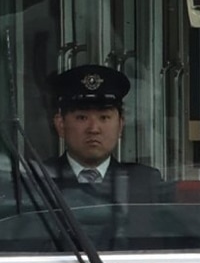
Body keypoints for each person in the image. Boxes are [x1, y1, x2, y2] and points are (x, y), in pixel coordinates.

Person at [48, 64, 166, 209]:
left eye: (104, 118)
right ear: (60, 124)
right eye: (82, 118)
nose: (94, 129)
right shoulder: (39, 180)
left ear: (120, 125)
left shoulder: (143, 183)